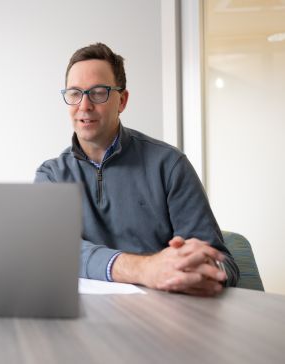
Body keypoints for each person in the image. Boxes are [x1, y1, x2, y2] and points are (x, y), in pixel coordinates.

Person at [35, 43, 239, 296]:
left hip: (165, 317)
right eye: (75, 93)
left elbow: (224, 264)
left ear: (122, 100)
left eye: (98, 92)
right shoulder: (51, 175)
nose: (84, 105)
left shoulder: (170, 164)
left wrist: (201, 266)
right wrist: (144, 269)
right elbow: (54, 251)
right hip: (84, 318)